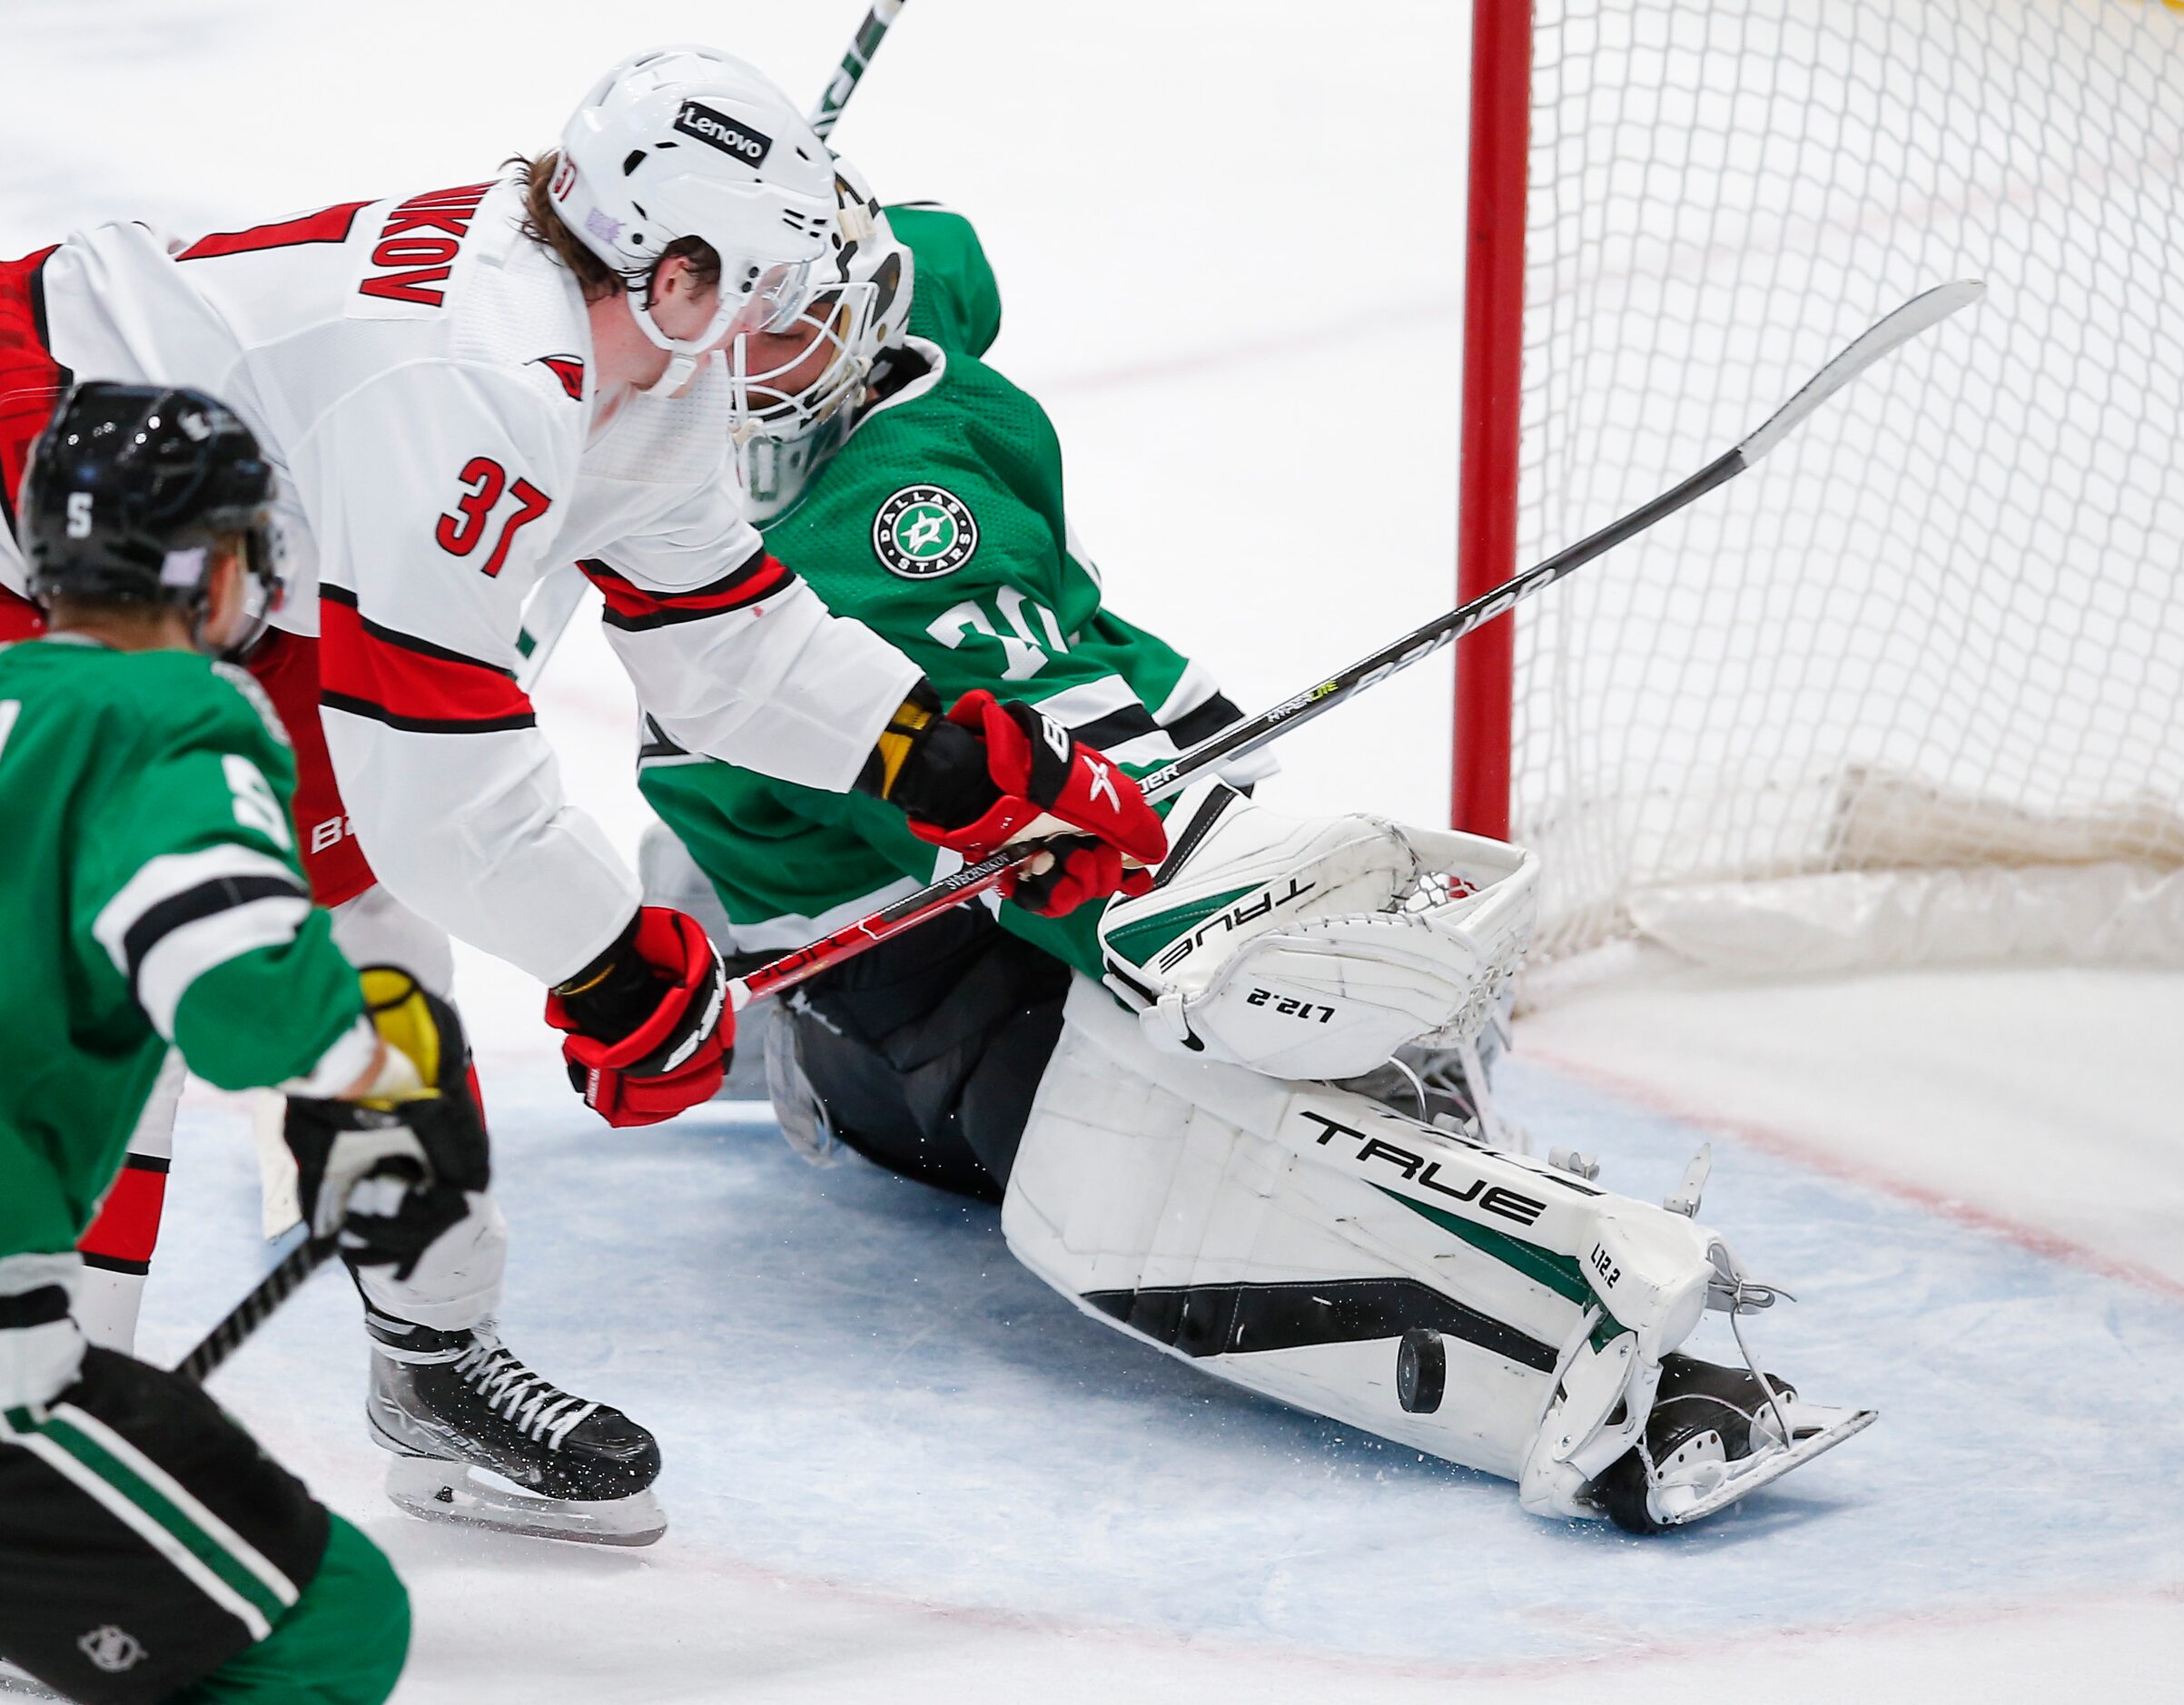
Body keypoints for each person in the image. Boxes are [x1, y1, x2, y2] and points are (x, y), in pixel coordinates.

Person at [0, 45, 1164, 1546]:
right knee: (123, 970)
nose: (799, 337)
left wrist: (966, 769)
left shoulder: (642, 348)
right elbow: (440, 787)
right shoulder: (474, 380)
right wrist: (618, 968)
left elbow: (730, 636)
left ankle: (430, 1369)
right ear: (677, 271)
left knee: (367, 946)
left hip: (235, 570)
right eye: (776, 294)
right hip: (47, 543)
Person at [639, 169, 1877, 1533]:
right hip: (902, 1015)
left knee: (1178, 1074)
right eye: (714, 328)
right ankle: (1580, 1350)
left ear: (866, 303)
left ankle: (1616, 1367)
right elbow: (946, 265)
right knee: (1194, 1105)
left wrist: (761, 186)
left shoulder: (869, 451)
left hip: (889, 932)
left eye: (781, 325)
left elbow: (946, 263)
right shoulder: (838, 473)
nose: (738, 374)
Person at [0, 381, 485, 1705]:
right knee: (318, 1620)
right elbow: (234, 992)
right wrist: (387, 1081)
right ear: (222, 571)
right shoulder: (170, 719)